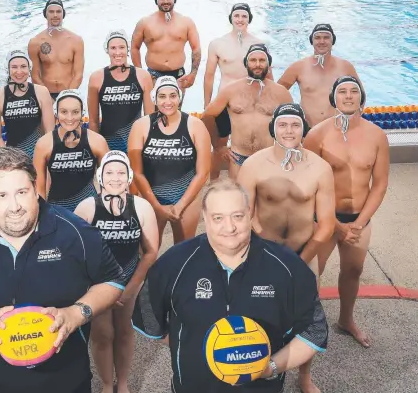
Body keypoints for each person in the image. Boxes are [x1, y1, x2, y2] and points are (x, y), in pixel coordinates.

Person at [0, 146, 126, 393]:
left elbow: (112, 280)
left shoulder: (75, 232)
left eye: (21, 192)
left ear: (35, 188)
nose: (15, 206)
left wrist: (75, 314)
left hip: (66, 382)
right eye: (2, 195)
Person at [133, 178, 328, 393]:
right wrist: (196, 349)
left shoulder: (287, 267)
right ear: (205, 218)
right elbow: (151, 321)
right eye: (218, 218)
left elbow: (313, 330)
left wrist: (268, 367)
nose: (229, 227)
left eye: (237, 216)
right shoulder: (173, 264)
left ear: (250, 214)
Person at [237, 103, 336, 393]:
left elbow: (327, 224)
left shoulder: (320, 167)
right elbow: (243, 213)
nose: (289, 130)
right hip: (261, 255)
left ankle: (304, 378)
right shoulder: (254, 164)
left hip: (304, 255)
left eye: (295, 124)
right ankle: (255, 366)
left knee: (306, 317)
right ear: (274, 129)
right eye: (283, 125)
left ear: (303, 128)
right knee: (259, 312)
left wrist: (300, 261)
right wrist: (264, 255)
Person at [304, 76, 389, 349]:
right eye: (343, 91)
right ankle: (308, 325)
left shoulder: (377, 135)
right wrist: (335, 225)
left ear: (362, 97)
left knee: (354, 269)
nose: (349, 96)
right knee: (314, 273)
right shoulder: (317, 134)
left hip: (359, 220)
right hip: (325, 219)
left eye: (354, 91)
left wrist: (359, 224)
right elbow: (308, 184)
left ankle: (346, 320)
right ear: (334, 98)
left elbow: (380, 185)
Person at [73, 151, 159, 393]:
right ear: (100, 176)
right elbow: (77, 255)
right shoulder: (86, 207)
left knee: (123, 333)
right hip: (97, 285)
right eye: (109, 172)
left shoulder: (141, 207)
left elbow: (150, 253)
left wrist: (131, 289)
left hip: (130, 281)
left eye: (121, 172)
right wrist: (92, 288)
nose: (115, 178)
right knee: (102, 335)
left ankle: (122, 384)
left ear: (129, 176)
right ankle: (106, 384)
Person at [128, 76, 210, 247]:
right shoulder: (141, 126)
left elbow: (203, 173)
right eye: (162, 96)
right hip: (152, 196)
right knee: (148, 251)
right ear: (154, 99)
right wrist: (157, 206)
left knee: (183, 251)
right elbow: (136, 172)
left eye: (173, 95)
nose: (168, 101)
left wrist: (180, 205)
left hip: (187, 198)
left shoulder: (195, 126)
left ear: (179, 98)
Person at [203, 3, 273, 179]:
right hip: (225, 101)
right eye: (237, 16)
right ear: (231, 19)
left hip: (250, 101)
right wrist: (207, 103)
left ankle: (256, 176)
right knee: (219, 144)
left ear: (249, 19)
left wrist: (271, 102)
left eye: (244, 16)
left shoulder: (259, 44)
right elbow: (209, 76)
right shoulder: (217, 44)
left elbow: (268, 76)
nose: (240, 19)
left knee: (253, 141)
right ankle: (213, 180)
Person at [202, 44, 292, 179]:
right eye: (253, 60)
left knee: (266, 199)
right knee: (239, 198)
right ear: (246, 63)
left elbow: (294, 122)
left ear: (268, 64)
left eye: (262, 60)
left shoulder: (280, 92)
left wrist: (285, 150)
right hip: (238, 158)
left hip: (267, 157)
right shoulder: (231, 90)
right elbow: (207, 115)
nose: (257, 64)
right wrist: (218, 146)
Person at [33, 89, 109, 212]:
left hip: (91, 210)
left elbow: (109, 182)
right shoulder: (44, 144)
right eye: (64, 112)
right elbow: (39, 189)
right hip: (58, 211)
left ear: (82, 113)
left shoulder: (97, 141)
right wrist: (41, 216)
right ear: (56, 113)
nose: (70, 118)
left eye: (75, 112)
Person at [277, 24, 361, 126]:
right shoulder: (298, 67)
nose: (322, 41)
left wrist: (355, 119)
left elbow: (361, 95)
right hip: (309, 129)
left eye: (326, 37)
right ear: (312, 41)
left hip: (337, 129)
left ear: (332, 41)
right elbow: (276, 93)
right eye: (317, 38)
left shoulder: (345, 67)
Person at [87, 30, 154, 154]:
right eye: (113, 48)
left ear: (128, 49)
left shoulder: (143, 76)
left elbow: (150, 117)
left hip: (136, 142)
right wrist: (95, 151)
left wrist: (147, 145)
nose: (118, 52)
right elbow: (93, 120)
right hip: (108, 142)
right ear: (107, 50)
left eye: (121, 47)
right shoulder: (96, 78)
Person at [131, 0, 201, 95]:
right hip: (153, 75)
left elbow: (196, 48)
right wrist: (140, 73)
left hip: (178, 75)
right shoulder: (145, 23)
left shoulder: (186, 22)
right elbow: (135, 48)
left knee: (176, 110)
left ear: (174, 0)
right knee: (154, 110)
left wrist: (193, 73)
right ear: (156, 0)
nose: (166, 1)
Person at [0, 49, 55, 157]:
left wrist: (43, 156)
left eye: (23, 66)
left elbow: (49, 131)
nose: (19, 72)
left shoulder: (41, 92)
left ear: (29, 68)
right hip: (12, 155)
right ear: (8, 69)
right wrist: (9, 158)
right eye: (14, 67)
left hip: (39, 153)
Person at [28, 0, 85, 100]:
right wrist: (47, 99)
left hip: (69, 93)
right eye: (51, 11)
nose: (55, 15)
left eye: (58, 11)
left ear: (63, 14)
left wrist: (67, 97)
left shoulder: (76, 40)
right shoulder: (35, 42)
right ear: (45, 14)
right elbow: (35, 76)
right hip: (45, 95)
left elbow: (78, 75)